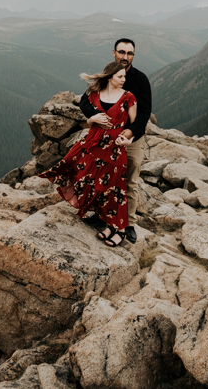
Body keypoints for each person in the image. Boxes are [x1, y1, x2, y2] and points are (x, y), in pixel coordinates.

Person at [39, 61, 137, 247]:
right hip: (94, 143)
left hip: (115, 147)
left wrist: (129, 138)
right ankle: (109, 224)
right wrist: (92, 118)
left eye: (125, 76)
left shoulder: (129, 97)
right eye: (120, 76)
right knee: (93, 182)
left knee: (116, 188)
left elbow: (135, 124)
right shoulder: (95, 94)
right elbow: (85, 114)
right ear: (109, 77)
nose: (124, 79)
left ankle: (121, 230)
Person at [79, 38, 151, 243]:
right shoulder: (108, 75)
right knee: (105, 176)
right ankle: (103, 216)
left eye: (130, 54)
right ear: (114, 53)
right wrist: (94, 116)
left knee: (130, 177)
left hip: (131, 138)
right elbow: (85, 101)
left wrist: (129, 133)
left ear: (133, 56)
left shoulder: (141, 80)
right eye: (122, 52)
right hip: (106, 137)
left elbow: (145, 113)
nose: (125, 57)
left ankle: (128, 223)